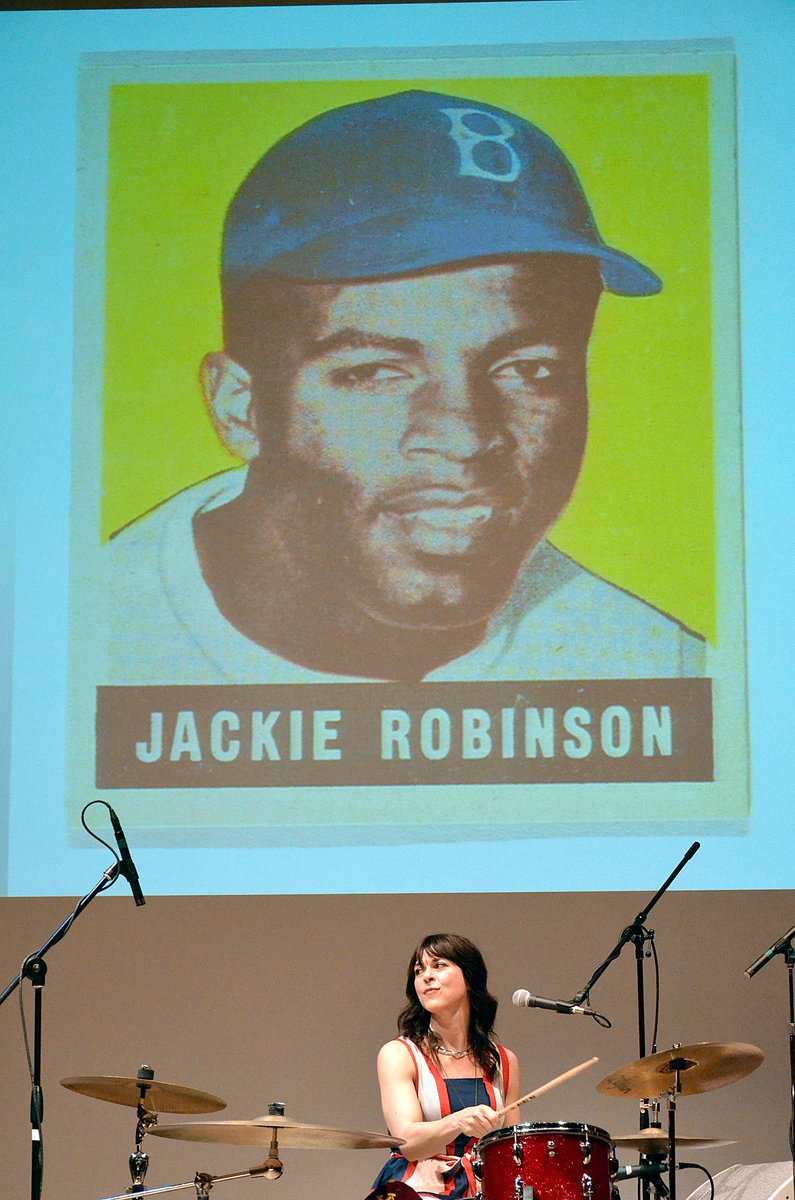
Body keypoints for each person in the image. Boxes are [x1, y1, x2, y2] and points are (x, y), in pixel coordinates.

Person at [107, 88, 705, 684]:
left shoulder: (663, 673)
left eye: (529, 370)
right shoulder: (81, 644)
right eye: (375, 372)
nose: (465, 436)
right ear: (242, 408)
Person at [370, 933, 520, 1199]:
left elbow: (512, 1150)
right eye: (419, 970)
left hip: (486, 1188)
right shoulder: (399, 1054)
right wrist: (459, 1120)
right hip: (417, 1187)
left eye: (439, 965)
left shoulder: (504, 1061)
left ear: (470, 978)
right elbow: (409, 1143)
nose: (426, 976)